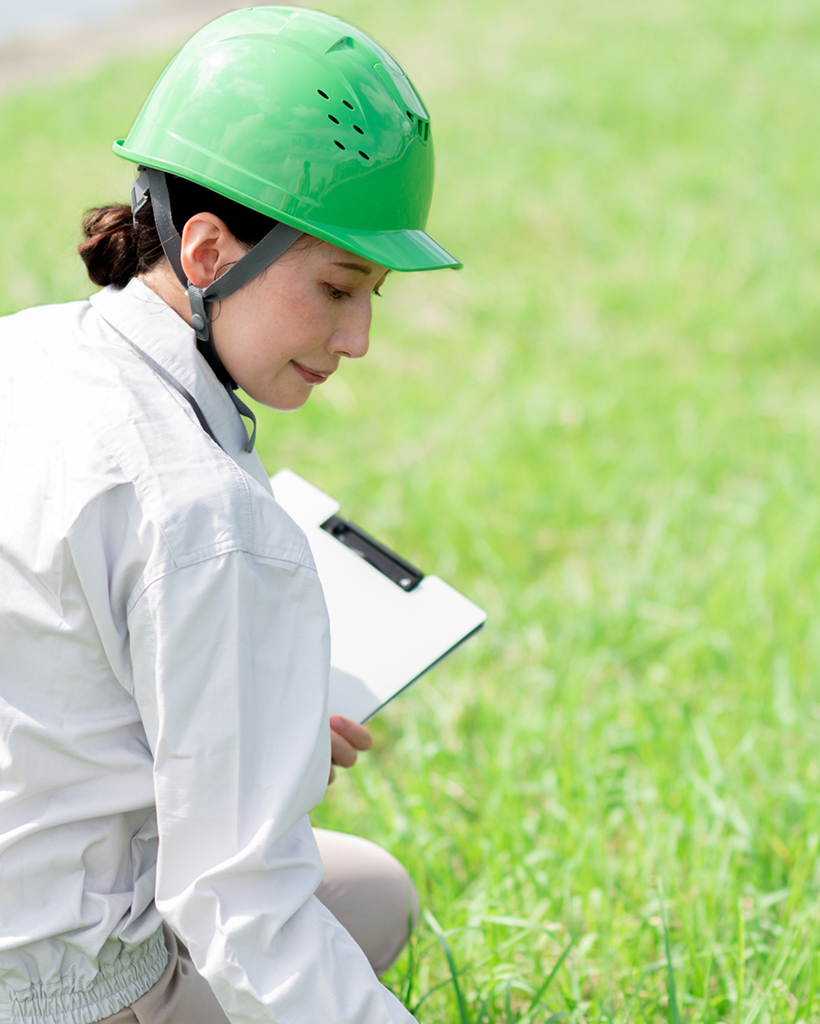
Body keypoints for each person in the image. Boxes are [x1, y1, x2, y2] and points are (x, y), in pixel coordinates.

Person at [0, 8, 461, 1023]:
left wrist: (258, 727)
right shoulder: (209, 518)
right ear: (207, 252)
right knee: (313, 916)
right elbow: (245, 918)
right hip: (52, 988)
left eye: (374, 294)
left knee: (368, 891)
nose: (359, 337)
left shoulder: (23, 354)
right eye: (338, 287)